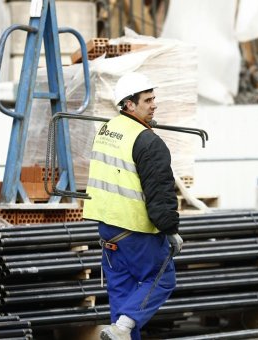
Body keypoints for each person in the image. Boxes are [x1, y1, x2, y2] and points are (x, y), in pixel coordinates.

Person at [82, 72, 183, 340]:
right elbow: (160, 193)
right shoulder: (148, 142)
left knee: (122, 295)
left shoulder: (107, 129)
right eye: (147, 100)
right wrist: (170, 229)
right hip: (136, 231)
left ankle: (121, 329)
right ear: (129, 104)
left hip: (107, 230)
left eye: (154, 99)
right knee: (162, 279)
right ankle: (124, 325)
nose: (154, 105)